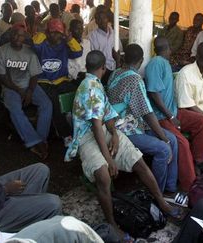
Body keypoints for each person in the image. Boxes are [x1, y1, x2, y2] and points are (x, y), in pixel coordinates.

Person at [65, 50, 181, 237]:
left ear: (87, 67)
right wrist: (109, 159)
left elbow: (108, 114)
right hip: (87, 137)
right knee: (103, 176)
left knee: (139, 161)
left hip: (104, 132)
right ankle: (112, 224)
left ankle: (161, 202)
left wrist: (115, 134)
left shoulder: (98, 84)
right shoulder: (90, 87)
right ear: (104, 67)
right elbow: (95, 126)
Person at [107, 44, 179, 194]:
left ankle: (170, 188)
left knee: (173, 140)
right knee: (165, 149)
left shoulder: (115, 73)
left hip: (132, 124)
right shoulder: (134, 79)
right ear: (141, 61)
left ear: (124, 58)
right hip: (124, 130)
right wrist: (163, 138)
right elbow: (148, 113)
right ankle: (157, 193)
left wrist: (165, 137)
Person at [145, 37, 203, 191]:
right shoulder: (156, 63)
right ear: (168, 48)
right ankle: (190, 185)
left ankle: (198, 161)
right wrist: (171, 116)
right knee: (182, 143)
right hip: (162, 117)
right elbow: (154, 93)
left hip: (173, 112)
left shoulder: (165, 63)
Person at [0, 24, 52, 159]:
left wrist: (29, 91)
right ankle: (33, 142)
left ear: (25, 37)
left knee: (47, 104)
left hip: (29, 85)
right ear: (10, 35)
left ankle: (41, 139)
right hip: (10, 88)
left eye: (21, 35)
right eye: (15, 34)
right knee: (15, 109)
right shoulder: (1, 52)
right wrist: (19, 90)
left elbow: (35, 74)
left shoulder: (29, 51)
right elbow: (1, 76)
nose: (18, 38)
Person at [32, 18, 82, 146]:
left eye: (58, 32)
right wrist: (43, 31)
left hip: (61, 80)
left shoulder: (64, 45)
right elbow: (35, 44)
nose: (56, 35)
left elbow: (78, 51)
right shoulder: (42, 44)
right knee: (55, 102)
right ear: (48, 32)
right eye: (52, 32)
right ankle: (66, 134)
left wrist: (69, 38)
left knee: (80, 94)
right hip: (44, 81)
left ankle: (79, 127)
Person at [89, 6, 121, 85]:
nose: (102, 21)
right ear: (96, 21)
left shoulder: (113, 33)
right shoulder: (93, 36)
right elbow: (95, 57)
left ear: (107, 19)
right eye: (99, 19)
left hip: (115, 67)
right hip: (102, 71)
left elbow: (120, 50)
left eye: (104, 18)